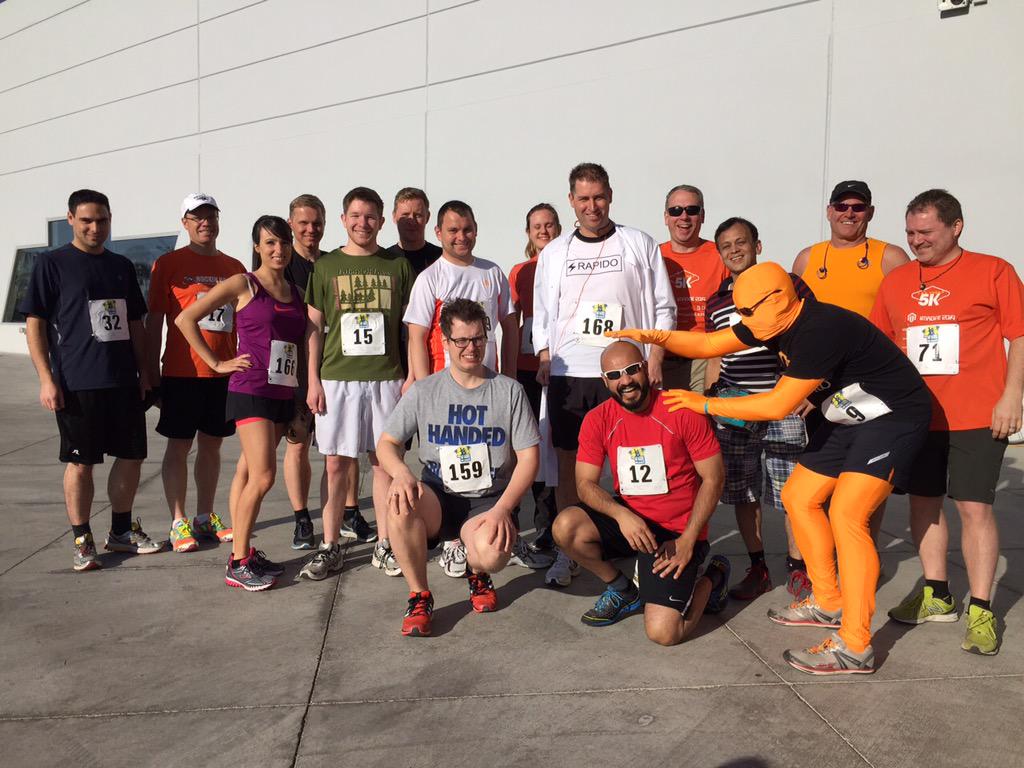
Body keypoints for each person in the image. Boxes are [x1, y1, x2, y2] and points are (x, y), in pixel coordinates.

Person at [611, 260, 932, 674]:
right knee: (800, 496)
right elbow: (709, 345)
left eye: (747, 313)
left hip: (894, 415)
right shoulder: (767, 319)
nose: (741, 322)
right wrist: (650, 336)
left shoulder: (818, 328)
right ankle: (829, 600)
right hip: (848, 412)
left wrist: (704, 404)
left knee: (847, 514)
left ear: (778, 299)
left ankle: (856, 645)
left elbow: (777, 405)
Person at [871, 189, 1024, 656]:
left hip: (979, 413)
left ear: (956, 227)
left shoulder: (993, 270)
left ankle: (981, 607)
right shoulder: (897, 281)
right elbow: (881, 346)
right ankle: (937, 593)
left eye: (926, 233)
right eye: (911, 233)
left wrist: (1012, 396)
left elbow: (1019, 335)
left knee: (974, 507)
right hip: (919, 416)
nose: (917, 241)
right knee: (924, 504)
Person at [532, 162, 675, 586]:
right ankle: (569, 550)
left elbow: (662, 305)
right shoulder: (554, 252)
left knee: (639, 461)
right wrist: (544, 355)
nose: (591, 206)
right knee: (570, 465)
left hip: (626, 371)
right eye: (583, 199)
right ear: (571, 201)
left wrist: (655, 356)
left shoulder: (638, 243)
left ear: (610, 196)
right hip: (569, 372)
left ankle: (646, 544)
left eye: (598, 197)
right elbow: (543, 310)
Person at [377, 299, 540, 637]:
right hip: (437, 495)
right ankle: (419, 594)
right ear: (445, 342)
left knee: (494, 555)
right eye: (462, 340)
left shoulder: (509, 391)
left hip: (486, 501)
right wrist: (403, 473)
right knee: (398, 503)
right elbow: (387, 444)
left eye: (479, 339)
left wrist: (503, 510)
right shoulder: (425, 391)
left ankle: (477, 571)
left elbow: (529, 458)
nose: (471, 348)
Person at [553, 341, 730, 644]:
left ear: (646, 368)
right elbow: (584, 484)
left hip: (676, 532)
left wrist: (688, 540)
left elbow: (714, 479)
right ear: (604, 381)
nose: (625, 381)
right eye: (614, 375)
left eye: (632, 370)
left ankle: (713, 576)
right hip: (632, 522)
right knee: (565, 526)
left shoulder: (682, 409)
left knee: (664, 633)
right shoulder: (598, 419)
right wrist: (621, 514)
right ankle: (623, 590)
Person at [20, 189, 160, 571]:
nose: (95, 227)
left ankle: (119, 531)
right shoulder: (53, 264)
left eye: (101, 220)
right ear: (70, 220)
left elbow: (135, 322)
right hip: (78, 381)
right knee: (81, 464)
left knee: (131, 456)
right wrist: (47, 379)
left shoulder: (121, 266)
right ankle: (82, 539)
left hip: (123, 381)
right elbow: (36, 323)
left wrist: (145, 369)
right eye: (86, 221)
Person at [176, 215, 305, 590]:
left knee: (250, 472)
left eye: (283, 242)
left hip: (282, 392)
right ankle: (236, 562)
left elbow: (296, 345)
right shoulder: (242, 283)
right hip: (250, 389)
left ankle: (246, 553)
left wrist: (299, 400)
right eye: (269, 243)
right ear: (256, 247)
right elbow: (187, 319)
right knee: (264, 476)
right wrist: (217, 361)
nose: (278, 250)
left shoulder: (295, 291)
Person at [301, 187, 414, 581]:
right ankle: (329, 545)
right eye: (355, 215)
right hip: (337, 378)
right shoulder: (326, 266)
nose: (362, 223)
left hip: (387, 379)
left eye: (370, 217)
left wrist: (412, 376)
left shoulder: (397, 266)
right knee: (335, 464)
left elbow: (411, 328)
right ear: (343, 219)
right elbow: (313, 327)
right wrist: (312, 379)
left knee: (384, 463)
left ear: (381, 221)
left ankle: (385, 544)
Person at [404, 199, 519, 578]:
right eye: (452, 230)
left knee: (491, 463)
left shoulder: (492, 272)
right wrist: (423, 390)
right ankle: (453, 540)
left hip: (487, 389)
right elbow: (418, 335)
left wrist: (512, 375)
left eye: (467, 229)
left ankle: (482, 533)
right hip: (443, 390)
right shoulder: (430, 277)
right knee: (448, 464)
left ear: (476, 229)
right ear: (439, 234)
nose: (461, 236)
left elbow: (510, 326)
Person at [793, 180, 911, 544]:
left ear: (870, 213)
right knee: (823, 482)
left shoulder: (890, 257)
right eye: (841, 206)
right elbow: (793, 324)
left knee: (865, 484)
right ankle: (829, 558)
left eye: (857, 207)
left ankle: (863, 558)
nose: (849, 213)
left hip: (871, 386)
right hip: (821, 387)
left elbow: (906, 321)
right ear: (829, 211)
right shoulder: (808, 258)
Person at [703, 218, 813, 601]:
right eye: (726, 246)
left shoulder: (787, 284)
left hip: (782, 402)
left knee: (791, 494)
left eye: (741, 242)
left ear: (757, 245)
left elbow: (811, 336)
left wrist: (808, 391)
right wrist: (710, 401)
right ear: (719, 253)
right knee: (743, 492)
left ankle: (800, 569)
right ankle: (758, 567)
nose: (734, 250)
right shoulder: (716, 301)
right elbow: (715, 352)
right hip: (736, 409)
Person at [146, 193, 245, 553]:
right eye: (197, 216)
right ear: (185, 223)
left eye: (211, 216)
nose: (206, 222)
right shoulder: (168, 263)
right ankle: (178, 520)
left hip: (223, 373)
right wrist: (148, 371)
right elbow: (155, 319)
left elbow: (242, 321)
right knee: (179, 445)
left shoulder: (234, 265)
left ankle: (204, 515)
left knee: (212, 445)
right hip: (181, 371)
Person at [507, 203, 560, 561]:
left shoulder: (569, 264)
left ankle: (547, 526)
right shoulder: (519, 271)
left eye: (549, 225)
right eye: (536, 226)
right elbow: (509, 324)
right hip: (525, 369)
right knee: (521, 447)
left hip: (559, 367)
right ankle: (509, 522)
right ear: (528, 232)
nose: (543, 231)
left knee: (550, 450)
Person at [659, 185, 729, 391]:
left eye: (692, 210)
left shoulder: (721, 255)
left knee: (698, 418)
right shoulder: (654, 256)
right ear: (666, 217)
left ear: (702, 215)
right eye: (675, 211)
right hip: (662, 356)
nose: (684, 217)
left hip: (705, 357)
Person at [388, 187, 442, 276]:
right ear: (394, 217)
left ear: (427, 217)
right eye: (405, 215)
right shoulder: (385, 259)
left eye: (418, 215)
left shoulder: (441, 259)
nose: (412, 221)